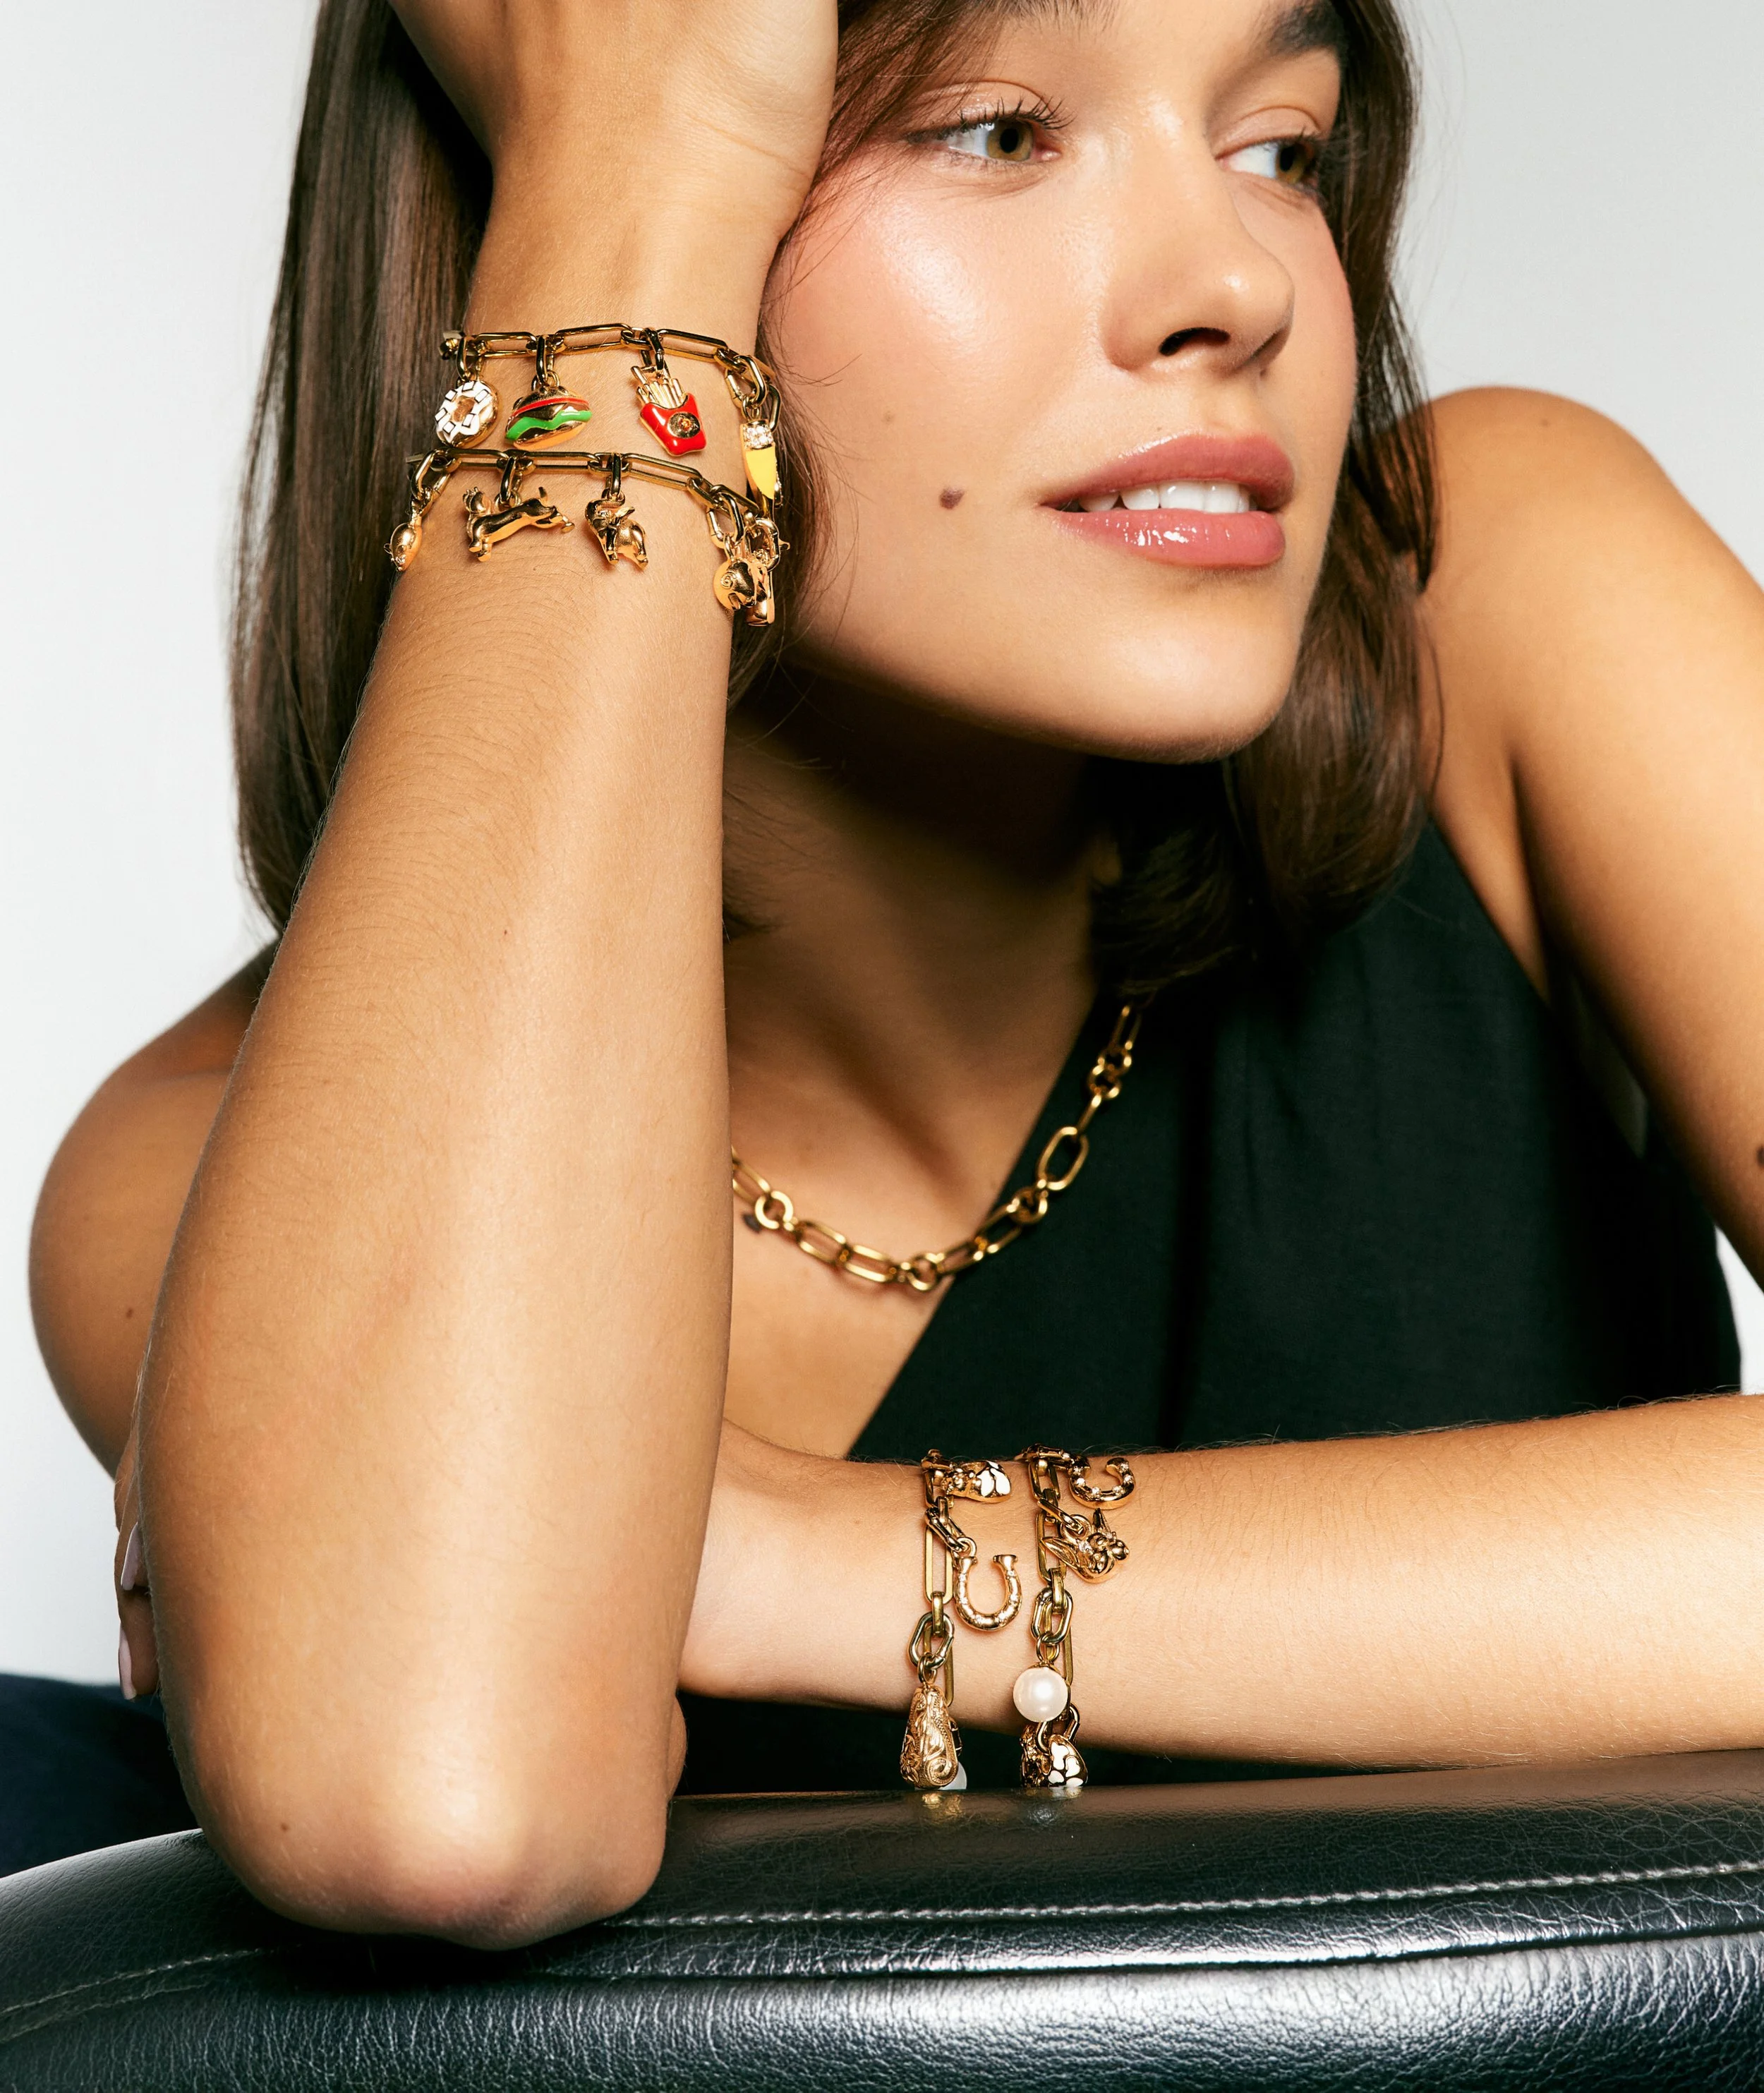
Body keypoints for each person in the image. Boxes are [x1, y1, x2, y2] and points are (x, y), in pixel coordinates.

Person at [18, 0, 1764, 1948]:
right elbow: (437, 1800)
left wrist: (792, 1556)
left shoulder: (1497, 591)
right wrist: (626, 194)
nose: (1236, 285)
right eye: (996, 132)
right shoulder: (205, 1167)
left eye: (1277, 146)